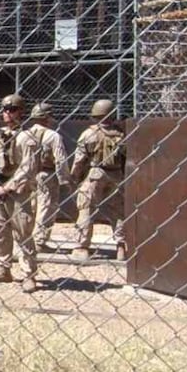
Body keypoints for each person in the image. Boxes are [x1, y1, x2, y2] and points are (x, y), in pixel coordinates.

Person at [0, 94, 40, 293]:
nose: (7, 113)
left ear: (21, 112)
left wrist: (7, 187)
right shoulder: (0, 135)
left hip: (17, 190)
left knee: (23, 232)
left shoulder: (26, 137)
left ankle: (28, 274)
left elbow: (28, 168)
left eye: (12, 109)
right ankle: (3, 268)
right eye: (5, 109)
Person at [71, 98, 127, 261]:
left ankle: (82, 247)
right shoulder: (121, 134)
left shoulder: (89, 134)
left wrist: (75, 177)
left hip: (95, 172)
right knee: (118, 211)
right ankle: (121, 246)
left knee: (86, 207)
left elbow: (79, 159)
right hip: (116, 174)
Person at [26, 102, 71, 252]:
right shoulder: (53, 136)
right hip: (47, 174)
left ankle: (26, 239)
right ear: (48, 117)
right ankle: (39, 241)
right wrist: (64, 179)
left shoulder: (24, 135)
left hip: (27, 174)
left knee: (30, 207)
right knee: (46, 207)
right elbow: (60, 159)